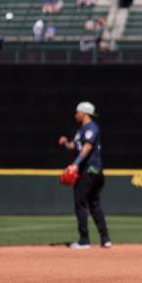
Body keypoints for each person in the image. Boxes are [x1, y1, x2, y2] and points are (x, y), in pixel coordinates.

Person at [57, 102, 111, 249]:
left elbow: (88, 146)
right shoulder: (81, 130)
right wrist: (65, 143)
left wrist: (75, 163)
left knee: (80, 202)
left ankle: (84, 240)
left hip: (90, 169)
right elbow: (73, 146)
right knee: (93, 202)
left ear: (84, 113)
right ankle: (105, 238)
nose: (75, 114)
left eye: (77, 112)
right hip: (93, 170)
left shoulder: (91, 128)